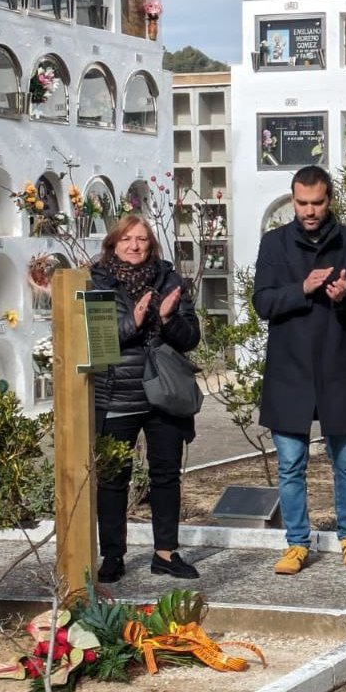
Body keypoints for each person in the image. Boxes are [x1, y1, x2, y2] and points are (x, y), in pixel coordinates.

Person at [253, 165, 346, 575]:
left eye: (317, 203)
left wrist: (344, 296)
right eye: (302, 203)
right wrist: (303, 289)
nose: (309, 210)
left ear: (330, 200)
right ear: (293, 200)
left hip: (336, 365)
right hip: (289, 370)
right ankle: (296, 543)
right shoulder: (274, 243)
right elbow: (262, 303)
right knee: (291, 465)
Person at [90, 214, 201, 584]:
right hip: (116, 392)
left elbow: (190, 339)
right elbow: (96, 341)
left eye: (141, 239)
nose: (134, 246)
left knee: (166, 475)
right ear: (113, 244)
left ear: (151, 245)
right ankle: (112, 556)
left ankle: (165, 553)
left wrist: (168, 319)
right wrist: (133, 323)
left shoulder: (170, 280)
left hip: (163, 394)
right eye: (127, 239)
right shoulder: (97, 281)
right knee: (112, 478)